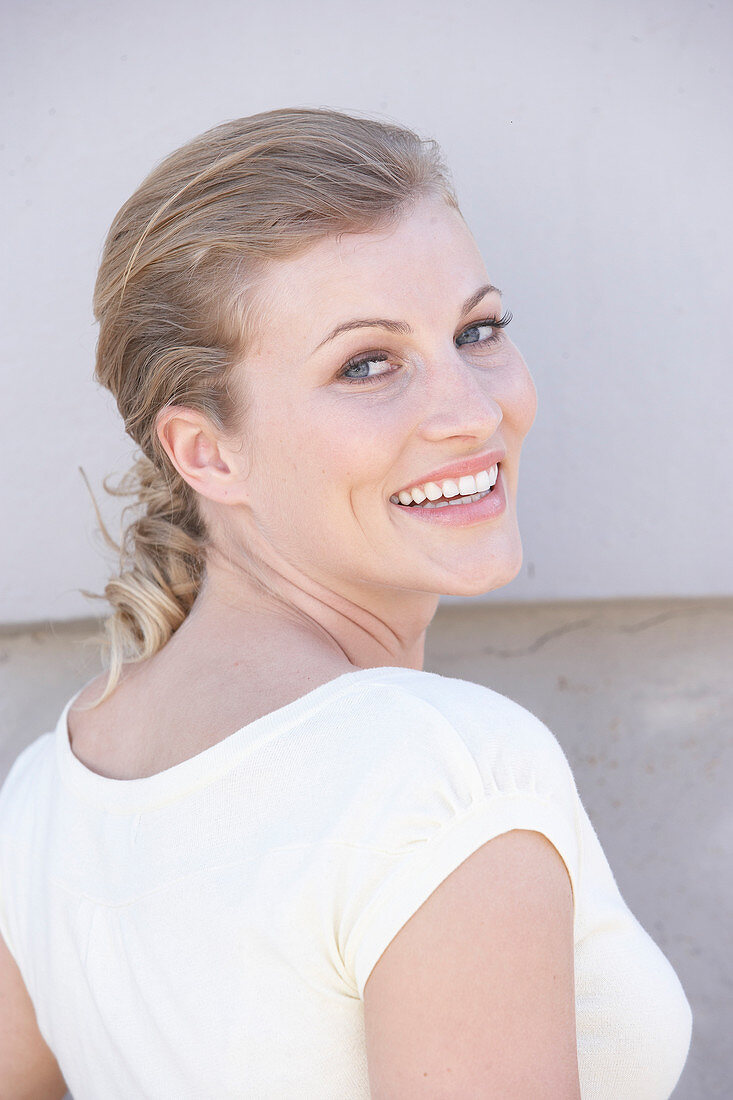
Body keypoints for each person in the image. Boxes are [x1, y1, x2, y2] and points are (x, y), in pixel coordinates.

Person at [0, 107, 692, 1098]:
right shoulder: (441, 770)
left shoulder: (49, 789)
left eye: (477, 330)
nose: (470, 409)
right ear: (206, 451)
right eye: (366, 363)